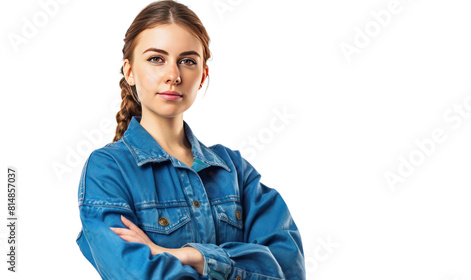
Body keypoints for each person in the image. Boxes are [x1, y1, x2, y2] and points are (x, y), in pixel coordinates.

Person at [75, 0, 305, 279]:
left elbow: (288, 266)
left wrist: (188, 255)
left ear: (202, 74)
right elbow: (137, 274)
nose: (173, 75)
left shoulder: (234, 170)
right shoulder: (107, 170)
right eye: (156, 59)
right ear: (129, 71)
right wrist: (240, 265)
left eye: (187, 61)